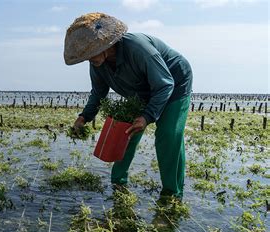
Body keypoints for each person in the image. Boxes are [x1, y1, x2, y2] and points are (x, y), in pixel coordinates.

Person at [64, 12, 193, 199]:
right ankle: (118, 182)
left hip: (174, 81)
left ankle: (172, 194)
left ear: (105, 45)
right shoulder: (97, 64)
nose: (88, 59)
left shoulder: (138, 48)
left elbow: (165, 84)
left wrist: (147, 116)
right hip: (142, 90)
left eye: (90, 54)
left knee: (168, 134)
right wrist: (84, 117)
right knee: (126, 131)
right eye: (85, 56)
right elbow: (98, 93)